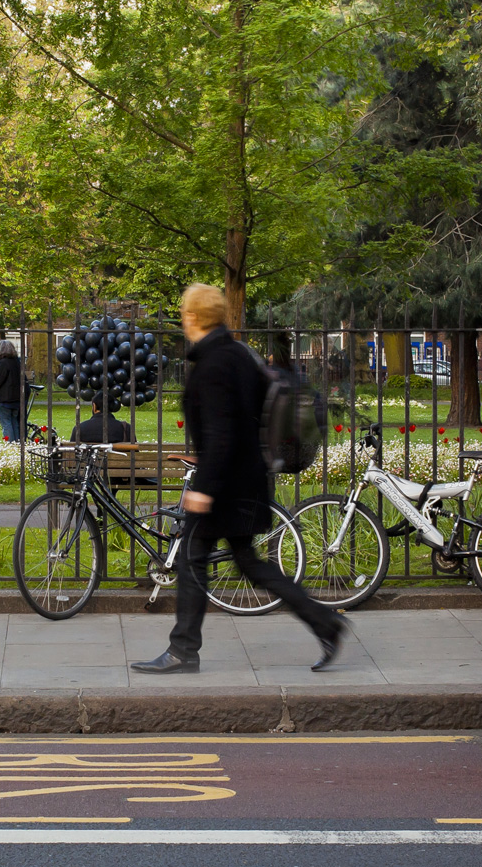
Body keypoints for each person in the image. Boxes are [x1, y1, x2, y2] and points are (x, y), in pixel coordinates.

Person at [130, 282, 346, 677]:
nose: (181, 318)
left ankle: (183, 650)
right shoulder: (238, 355)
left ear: (193, 317)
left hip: (226, 486)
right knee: (247, 562)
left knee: (195, 559)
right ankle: (326, 622)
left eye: (183, 312)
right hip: (246, 479)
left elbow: (223, 433)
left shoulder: (213, 364)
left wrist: (204, 489)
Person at [0, 337, 26, 443]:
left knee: (6, 423)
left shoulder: (2, 363)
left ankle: (10, 444)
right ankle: (17, 444)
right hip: (16, 398)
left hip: (5, 399)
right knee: (14, 423)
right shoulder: (17, 362)